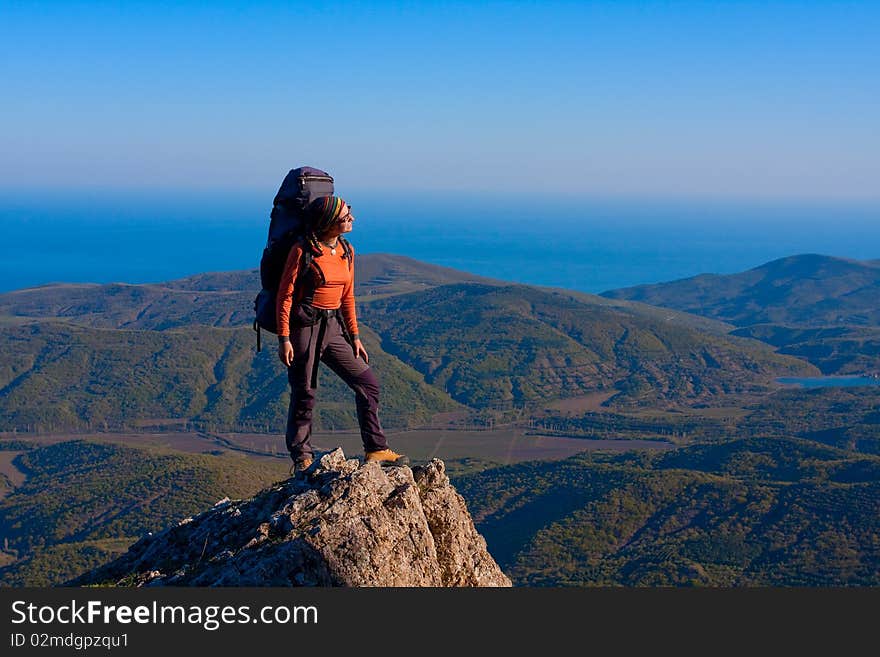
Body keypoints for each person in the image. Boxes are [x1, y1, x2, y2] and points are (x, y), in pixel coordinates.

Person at [276, 195, 407, 473]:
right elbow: (285, 296)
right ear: (328, 222)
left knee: (368, 383)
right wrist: (284, 338)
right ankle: (302, 457)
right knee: (304, 393)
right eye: (346, 216)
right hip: (305, 329)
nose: (352, 219)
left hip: (334, 328)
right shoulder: (303, 251)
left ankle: (375, 448)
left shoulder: (347, 250)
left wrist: (355, 336)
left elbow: (348, 297)